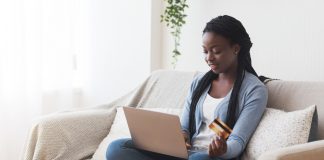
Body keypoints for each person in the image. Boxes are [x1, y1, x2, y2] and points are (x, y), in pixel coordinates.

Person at [105, 15, 268, 160]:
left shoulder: (254, 90)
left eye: (216, 51)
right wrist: (181, 136)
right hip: (185, 154)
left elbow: (238, 141)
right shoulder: (199, 82)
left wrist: (223, 149)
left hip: (211, 158)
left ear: (236, 48)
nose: (209, 58)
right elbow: (184, 127)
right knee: (116, 148)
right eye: (205, 51)